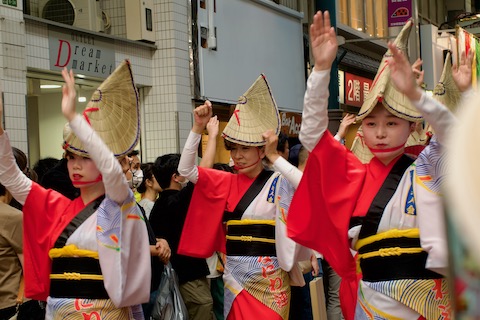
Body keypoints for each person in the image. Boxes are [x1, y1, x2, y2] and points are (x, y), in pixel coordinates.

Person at [287, 12, 460, 320]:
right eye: (371, 123)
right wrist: (322, 70)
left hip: (427, 299)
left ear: (412, 128)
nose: (380, 133)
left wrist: (415, 95)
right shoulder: (350, 172)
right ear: (361, 129)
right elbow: (311, 134)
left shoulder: (427, 168)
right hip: (371, 298)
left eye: (392, 123)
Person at [0, 60, 151, 318]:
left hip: (105, 312)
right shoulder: (55, 206)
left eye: (85, 158)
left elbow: (113, 172)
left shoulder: (118, 203)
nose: (75, 166)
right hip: (59, 310)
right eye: (70, 158)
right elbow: (12, 177)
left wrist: (73, 117)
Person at [177, 75, 310, 320]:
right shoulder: (225, 180)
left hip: (270, 278)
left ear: (261, 149)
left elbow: (306, 186)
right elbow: (186, 171)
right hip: (235, 277)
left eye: (245, 148)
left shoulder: (279, 181)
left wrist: (275, 158)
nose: (237, 155)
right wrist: (197, 128)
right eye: (233, 148)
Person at [149, 115, 220, 320]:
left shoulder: (160, 204)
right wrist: (212, 136)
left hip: (177, 278)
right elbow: (204, 174)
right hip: (188, 279)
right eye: (184, 169)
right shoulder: (174, 201)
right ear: (176, 176)